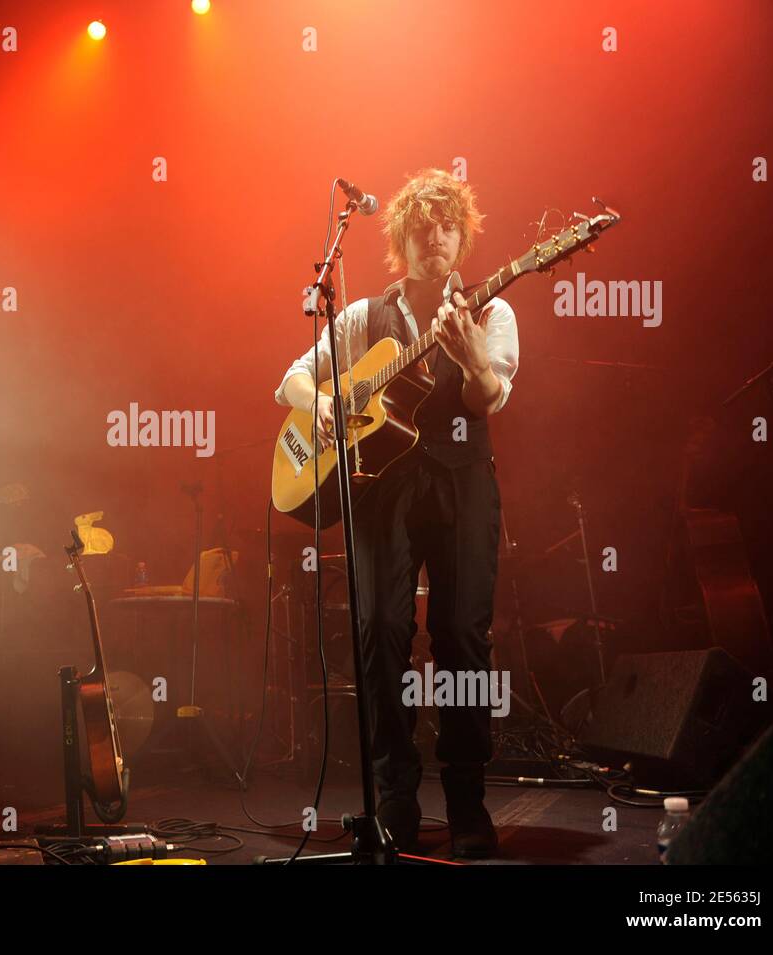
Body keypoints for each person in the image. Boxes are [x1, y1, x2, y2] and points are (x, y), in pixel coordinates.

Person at [274, 169, 519, 857]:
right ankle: (395, 799)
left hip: (462, 483)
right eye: (421, 228)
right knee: (379, 628)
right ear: (402, 238)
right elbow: (289, 377)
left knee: (461, 638)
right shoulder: (360, 317)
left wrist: (469, 353)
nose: (434, 238)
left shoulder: (489, 310)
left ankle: (467, 801)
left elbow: (485, 399)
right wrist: (321, 405)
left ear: (462, 236)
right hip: (383, 486)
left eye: (447, 227)